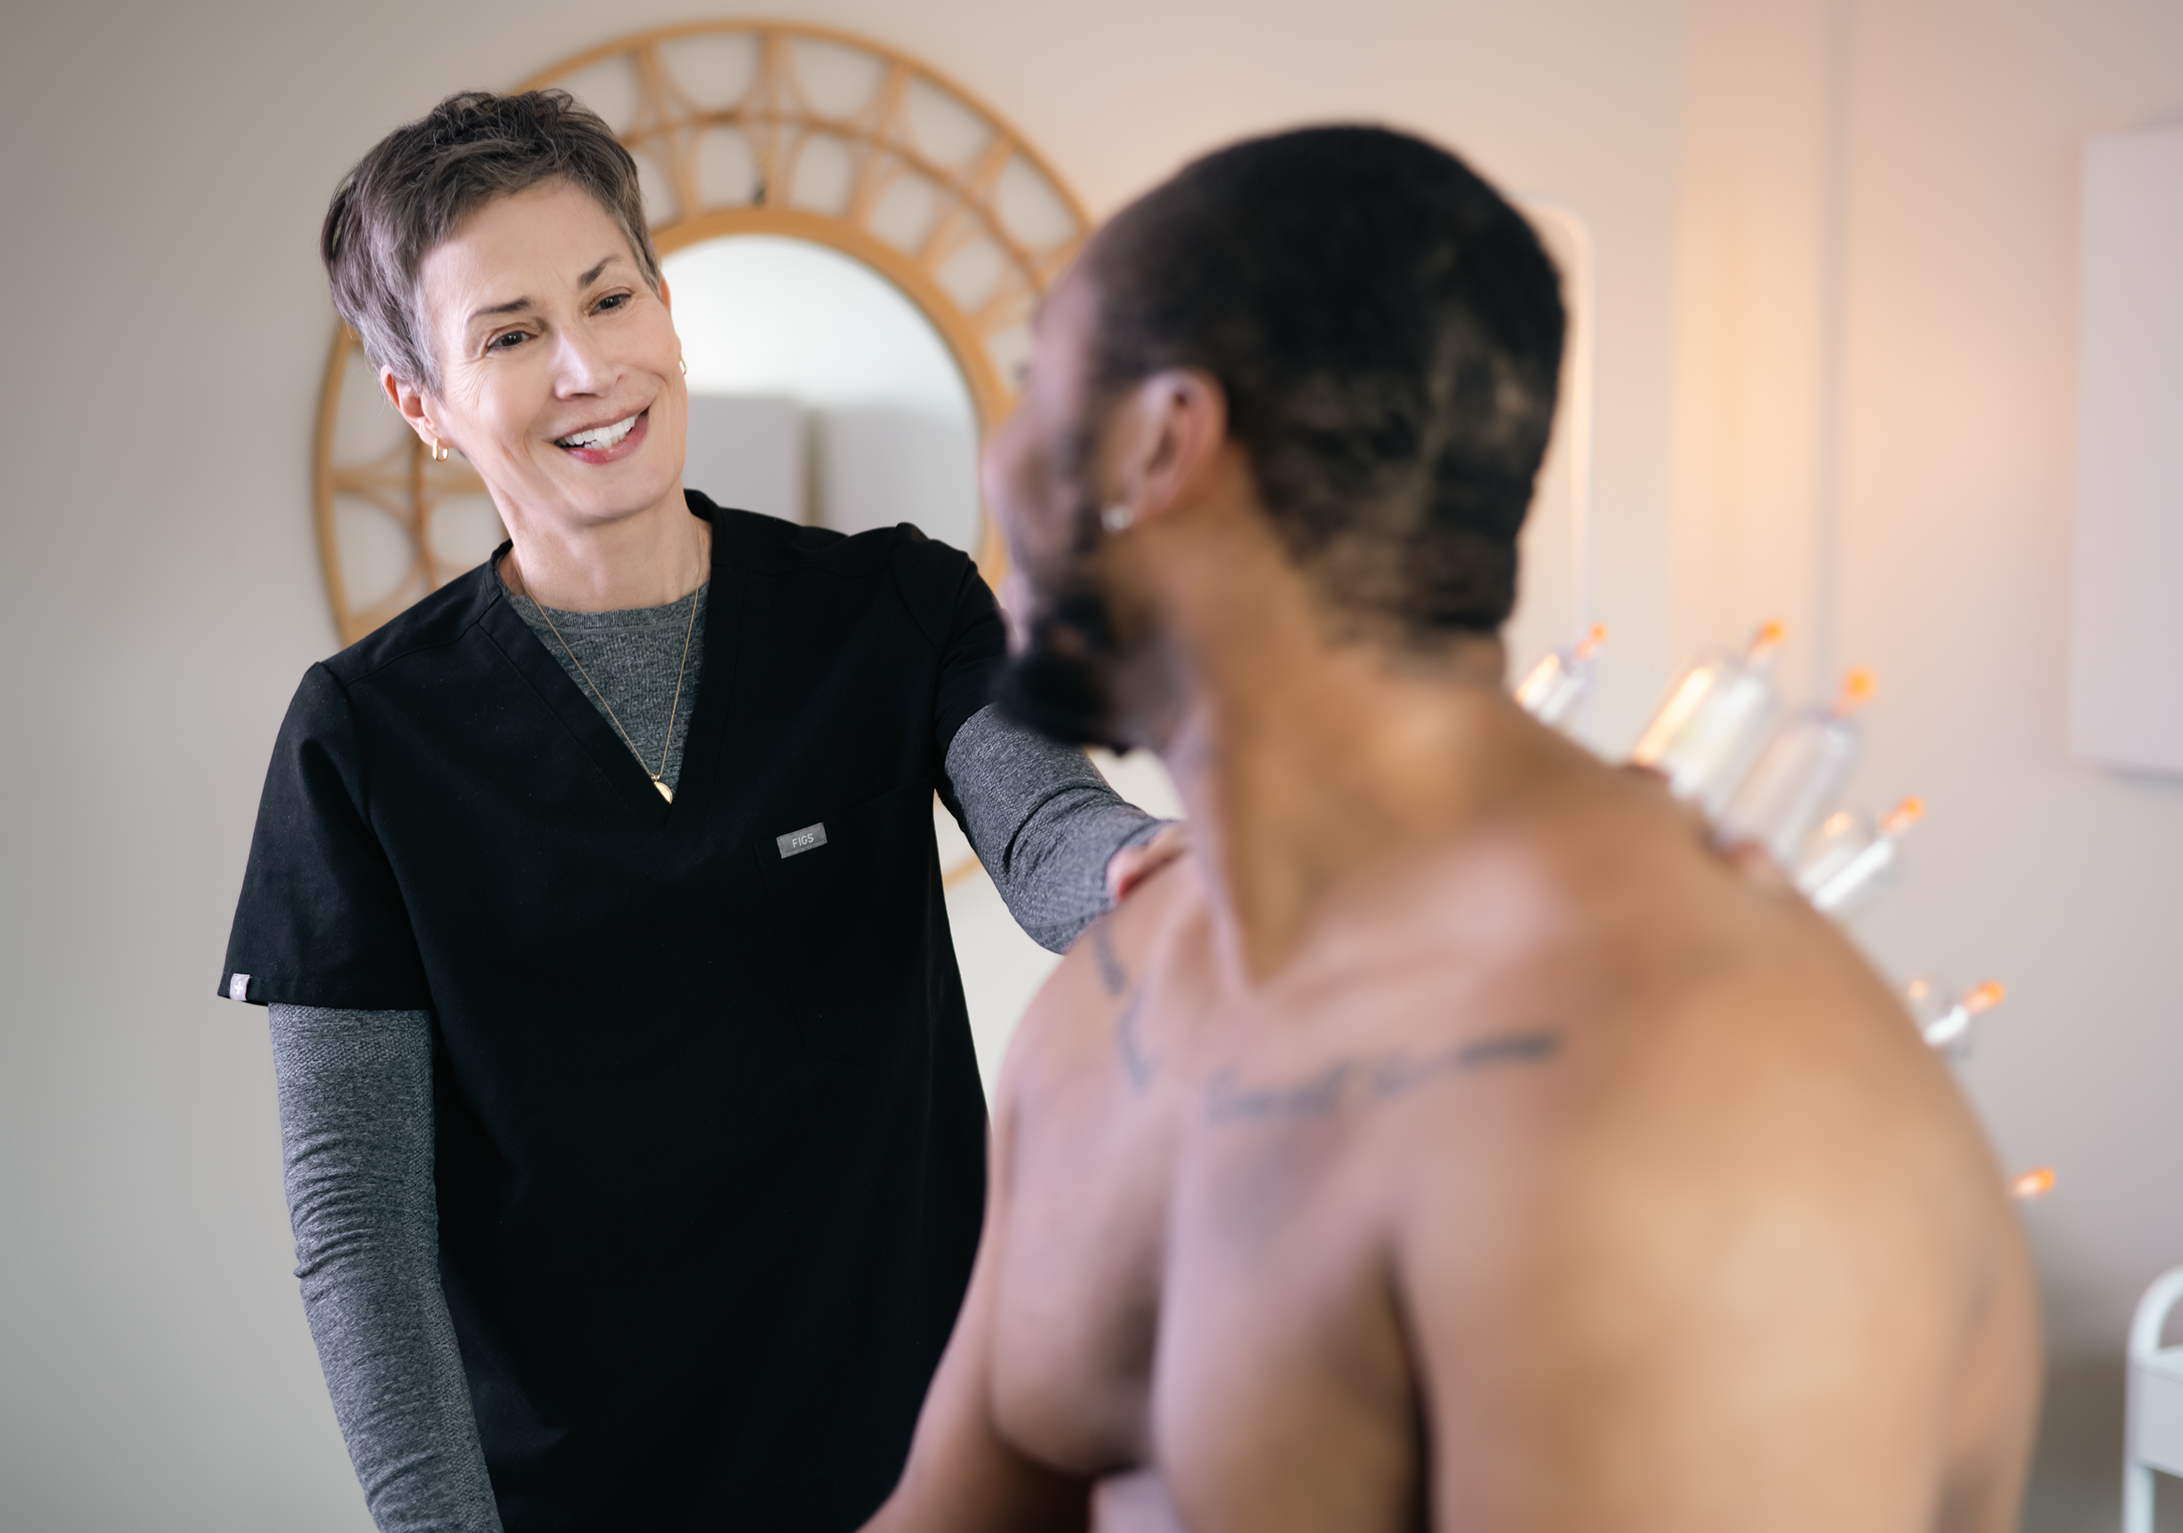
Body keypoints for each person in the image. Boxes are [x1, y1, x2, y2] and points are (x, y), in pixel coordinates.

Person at [863, 126, 2041, 1532]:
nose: (999, 466)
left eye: (1036, 386)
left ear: (1162, 441)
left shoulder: (1693, 1099)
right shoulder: (1107, 1010)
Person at [217, 90, 1180, 1533]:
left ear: (668, 308)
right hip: (584, 1490)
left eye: (611, 296)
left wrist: (1156, 870)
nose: (589, 365)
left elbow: (1045, 830)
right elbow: (358, 1223)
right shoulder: (362, 738)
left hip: (941, 1465)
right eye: (510, 333)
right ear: (419, 404)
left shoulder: (892, 609)